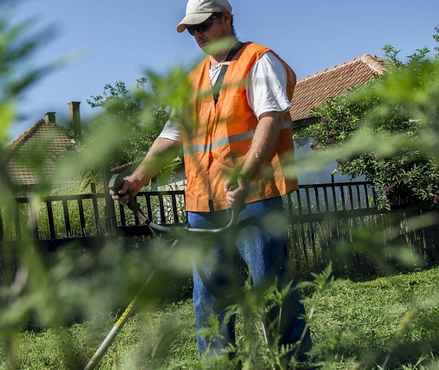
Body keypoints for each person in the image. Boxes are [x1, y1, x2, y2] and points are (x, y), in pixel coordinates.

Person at [111, 0, 312, 363]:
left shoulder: (258, 59)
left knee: (271, 288)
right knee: (210, 297)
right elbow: (171, 137)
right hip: (203, 203)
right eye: (191, 29)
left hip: (254, 195)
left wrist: (246, 175)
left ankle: (295, 361)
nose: (198, 34)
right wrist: (138, 179)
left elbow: (269, 118)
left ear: (226, 18)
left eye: (203, 25)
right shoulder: (192, 82)